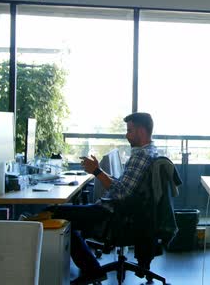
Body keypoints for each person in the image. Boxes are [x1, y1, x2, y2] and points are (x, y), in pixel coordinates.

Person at [49, 112, 158, 285]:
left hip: (110, 214)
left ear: (142, 131)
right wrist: (99, 170)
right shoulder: (150, 152)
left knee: (53, 214)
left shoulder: (141, 156)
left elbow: (121, 193)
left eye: (130, 130)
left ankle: (91, 270)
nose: (126, 134)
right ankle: (91, 269)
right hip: (116, 210)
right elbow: (125, 186)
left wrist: (96, 172)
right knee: (64, 213)